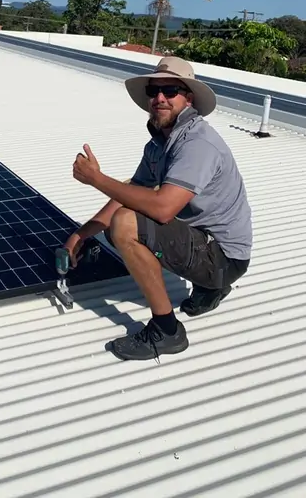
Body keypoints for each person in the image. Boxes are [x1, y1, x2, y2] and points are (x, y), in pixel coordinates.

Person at [64, 56, 252, 362]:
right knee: (127, 211)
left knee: (124, 225)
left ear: (188, 98)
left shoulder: (197, 143)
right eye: (154, 91)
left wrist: (97, 179)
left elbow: (164, 209)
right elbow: (132, 191)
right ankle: (209, 289)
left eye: (170, 90)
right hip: (203, 244)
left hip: (225, 257)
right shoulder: (158, 145)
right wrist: (81, 235)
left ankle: (167, 332)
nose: (160, 98)